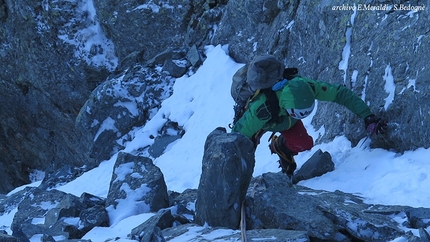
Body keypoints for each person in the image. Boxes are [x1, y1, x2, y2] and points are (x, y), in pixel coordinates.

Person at [231, 63, 387, 181]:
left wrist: (367, 116)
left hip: (285, 120)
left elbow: (340, 93)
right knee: (246, 149)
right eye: (297, 113)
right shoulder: (261, 109)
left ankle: (280, 147)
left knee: (304, 143)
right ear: (287, 106)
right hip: (261, 123)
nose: (302, 117)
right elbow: (237, 137)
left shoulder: (306, 87)